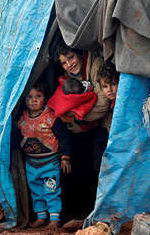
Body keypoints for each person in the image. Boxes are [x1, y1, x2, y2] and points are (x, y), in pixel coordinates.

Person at [51, 43, 111, 221]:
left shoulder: (94, 66)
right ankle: (72, 214)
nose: (69, 64)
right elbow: (60, 104)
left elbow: (102, 103)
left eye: (71, 57)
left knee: (93, 169)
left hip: (94, 128)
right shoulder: (67, 80)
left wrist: (76, 117)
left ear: (80, 54)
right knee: (74, 172)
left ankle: (89, 214)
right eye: (63, 62)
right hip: (74, 132)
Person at [16, 82, 72, 229]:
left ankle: (54, 219)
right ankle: (41, 217)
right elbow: (16, 137)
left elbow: (63, 137)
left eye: (38, 96)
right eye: (29, 97)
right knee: (36, 190)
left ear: (45, 98)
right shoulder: (22, 119)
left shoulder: (51, 117)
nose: (33, 100)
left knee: (51, 190)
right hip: (31, 164)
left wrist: (65, 157)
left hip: (50, 163)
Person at [93, 62, 119, 171]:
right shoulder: (105, 105)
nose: (109, 90)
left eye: (113, 84)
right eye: (105, 86)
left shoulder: (121, 102)